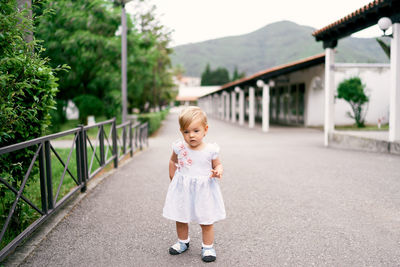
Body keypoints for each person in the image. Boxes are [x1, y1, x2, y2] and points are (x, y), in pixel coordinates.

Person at [163, 106, 226, 263]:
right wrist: (173, 178)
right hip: (183, 188)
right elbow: (173, 160)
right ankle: (183, 241)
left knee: (206, 219)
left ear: (205, 129)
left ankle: (208, 246)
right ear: (181, 131)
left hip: (204, 190)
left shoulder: (210, 150)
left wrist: (218, 171)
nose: (191, 135)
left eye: (196, 131)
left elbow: (218, 164)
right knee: (181, 216)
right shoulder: (179, 147)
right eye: (186, 131)